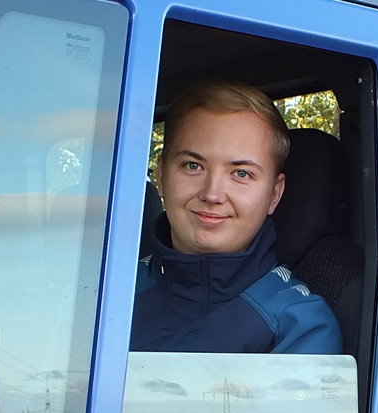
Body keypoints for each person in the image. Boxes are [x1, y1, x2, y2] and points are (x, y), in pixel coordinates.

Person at [130, 79, 342, 354]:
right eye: (193, 166)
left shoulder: (298, 326)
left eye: (241, 173)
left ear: (274, 194)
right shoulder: (109, 289)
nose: (212, 193)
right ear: (161, 176)